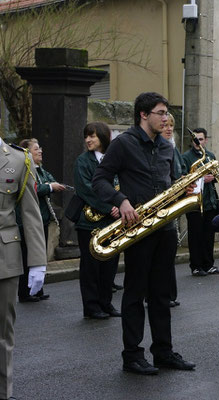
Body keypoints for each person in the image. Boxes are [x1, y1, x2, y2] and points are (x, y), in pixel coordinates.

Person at [92, 92, 195, 375]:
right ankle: (132, 355)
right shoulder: (123, 143)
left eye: (166, 113)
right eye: (160, 113)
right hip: (137, 230)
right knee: (135, 293)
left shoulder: (166, 147)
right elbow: (99, 179)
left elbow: (170, 181)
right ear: (143, 115)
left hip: (165, 228)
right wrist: (121, 200)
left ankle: (163, 352)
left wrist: (183, 190)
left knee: (162, 295)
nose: (165, 118)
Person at [0, 136, 46, 400]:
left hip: (4, 255)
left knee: (3, 332)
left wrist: (38, 262)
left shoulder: (19, 159)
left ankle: (3, 392)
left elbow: (30, 212)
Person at [74, 122, 121, 319]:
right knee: (91, 266)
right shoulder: (82, 161)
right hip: (89, 222)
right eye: (86, 136)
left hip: (113, 221)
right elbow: (86, 189)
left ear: (102, 137)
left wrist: (122, 203)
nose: (88, 140)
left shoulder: (113, 159)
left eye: (92, 136)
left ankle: (106, 303)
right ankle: (91, 307)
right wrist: (109, 207)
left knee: (110, 264)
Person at [17, 138, 65, 302]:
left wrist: (51, 184)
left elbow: (49, 180)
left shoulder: (41, 170)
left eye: (40, 148)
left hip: (42, 219)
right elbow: (35, 188)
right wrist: (50, 187)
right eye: (36, 149)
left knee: (39, 255)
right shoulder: (25, 169)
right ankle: (25, 291)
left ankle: (37, 289)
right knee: (27, 256)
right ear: (27, 153)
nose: (40, 151)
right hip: (28, 221)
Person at [182, 128, 219, 277]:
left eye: (200, 139)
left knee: (208, 235)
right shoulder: (186, 157)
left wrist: (216, 175)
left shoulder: (210, 155)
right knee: (196, 235)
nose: (197, 142)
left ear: (206, 140)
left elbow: (217, 174)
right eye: (195, 139)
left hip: (210, 200)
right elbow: (183, 179)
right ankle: (196, 266)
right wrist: (202, 179)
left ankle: (209, 264)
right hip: (195, 202)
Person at [162, 114, 186, 306]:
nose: (169, 129)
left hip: (173, 204)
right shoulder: (161, 149)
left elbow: (180, 171)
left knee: (169, 255)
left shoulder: (173, 148)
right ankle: (161, 294)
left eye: (171, 125)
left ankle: (169, 294)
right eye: (165, 126)